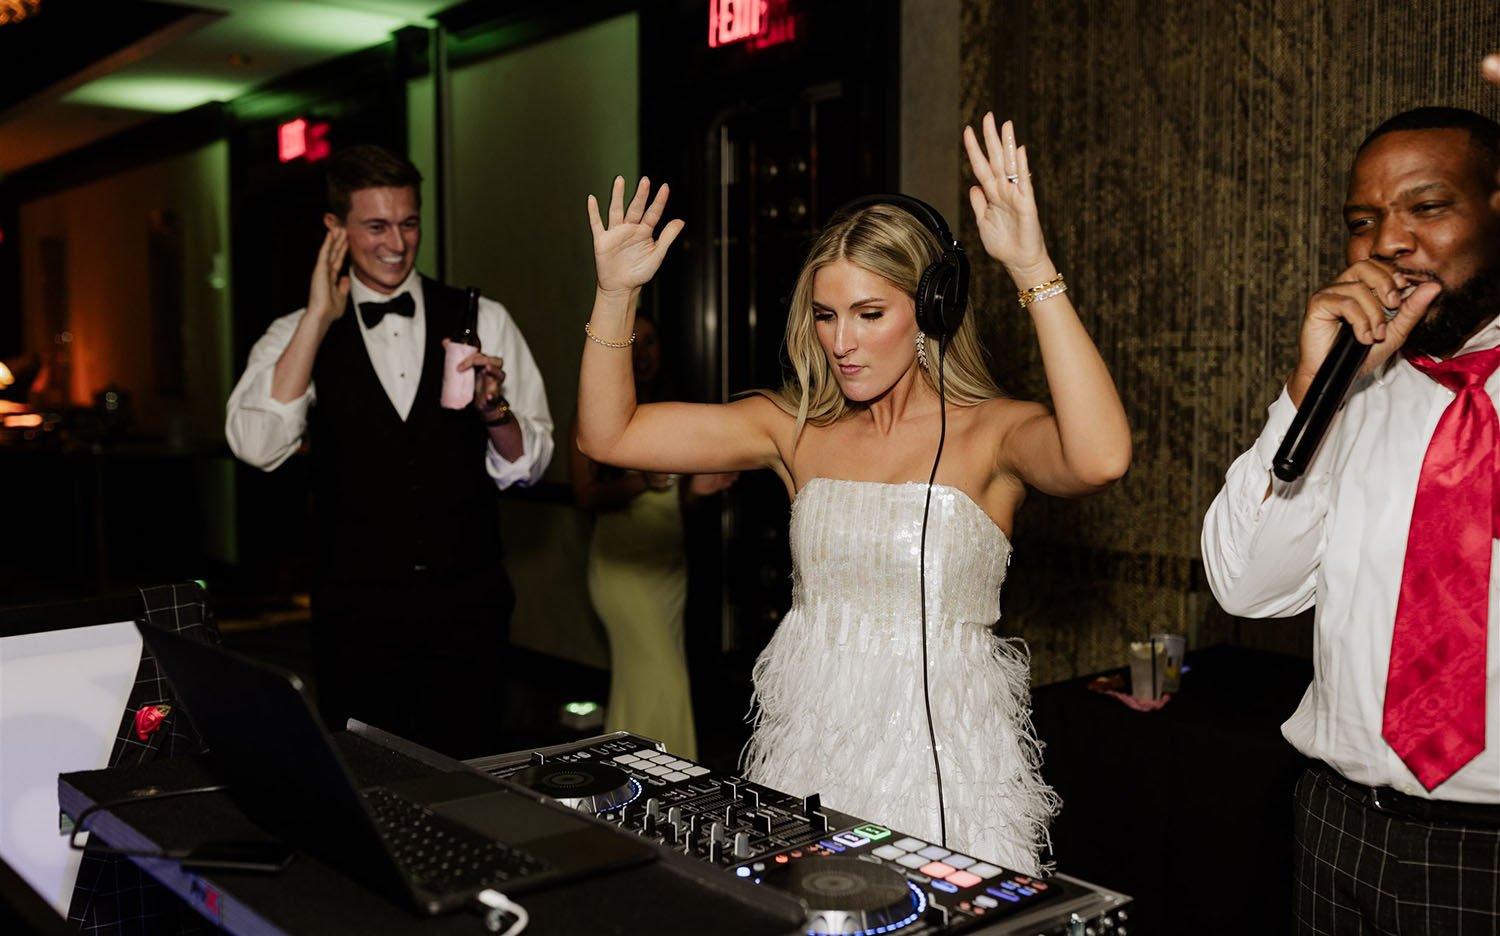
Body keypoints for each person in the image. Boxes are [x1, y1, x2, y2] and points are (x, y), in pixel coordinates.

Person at [576, 113, 1131, 874]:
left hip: (945, 767)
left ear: (930, 310)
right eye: (828, 315)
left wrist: (1032, 266)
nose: (842, 342)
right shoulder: (791, 427)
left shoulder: (992, 435)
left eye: (871, 315)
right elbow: (607, 437)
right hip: (811, 745)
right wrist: (616, 295)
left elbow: (1100, 457)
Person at [1202, 106, 1500, 933]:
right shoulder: (1351, 391)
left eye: (1427, 207)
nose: (1388, 243)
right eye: (1362, 222)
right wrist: (1311, 384)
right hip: (1341, 828)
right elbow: (1247, 588)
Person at [226, 144, 552, 759]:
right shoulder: (294, 332)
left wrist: (493, 410)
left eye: (409, 223)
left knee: (471, 777)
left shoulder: (484, 317)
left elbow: (529, 467)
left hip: (467, 606)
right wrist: (320, 318)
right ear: (335, 228)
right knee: (371, 782)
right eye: (376, 225)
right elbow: (257, 446)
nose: (397, 243)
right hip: (357, 613)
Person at [569, 311, 736, 759]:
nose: (642, 352)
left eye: (651, 341)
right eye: (632, 340)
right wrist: (640, 482)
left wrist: (700, 490)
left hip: (668, 566)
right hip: (623, 567)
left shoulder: (672, 411)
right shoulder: (595, 413)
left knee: (658, 673)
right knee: (656, 671)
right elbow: (585, 496)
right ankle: (657, 772)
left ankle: (644, 782)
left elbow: (677, 501)